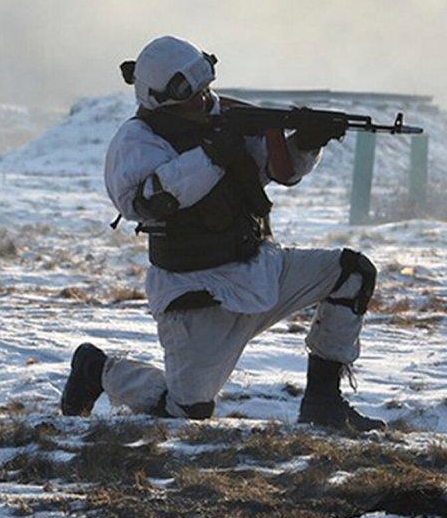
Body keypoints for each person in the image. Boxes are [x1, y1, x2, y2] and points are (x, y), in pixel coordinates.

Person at [63, 36, 383, 432]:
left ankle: (324, 403)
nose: (203, 100)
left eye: (205, 88)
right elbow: (147, 202)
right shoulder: (137, 142)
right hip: (198, 294)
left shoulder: (224, 117)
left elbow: (276, 170)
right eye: (191, 95)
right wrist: (211, 156)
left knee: (351, 272)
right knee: (187, 414)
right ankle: (98, 370)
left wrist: (304, 143)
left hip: (260, 269)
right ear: (160, 99)